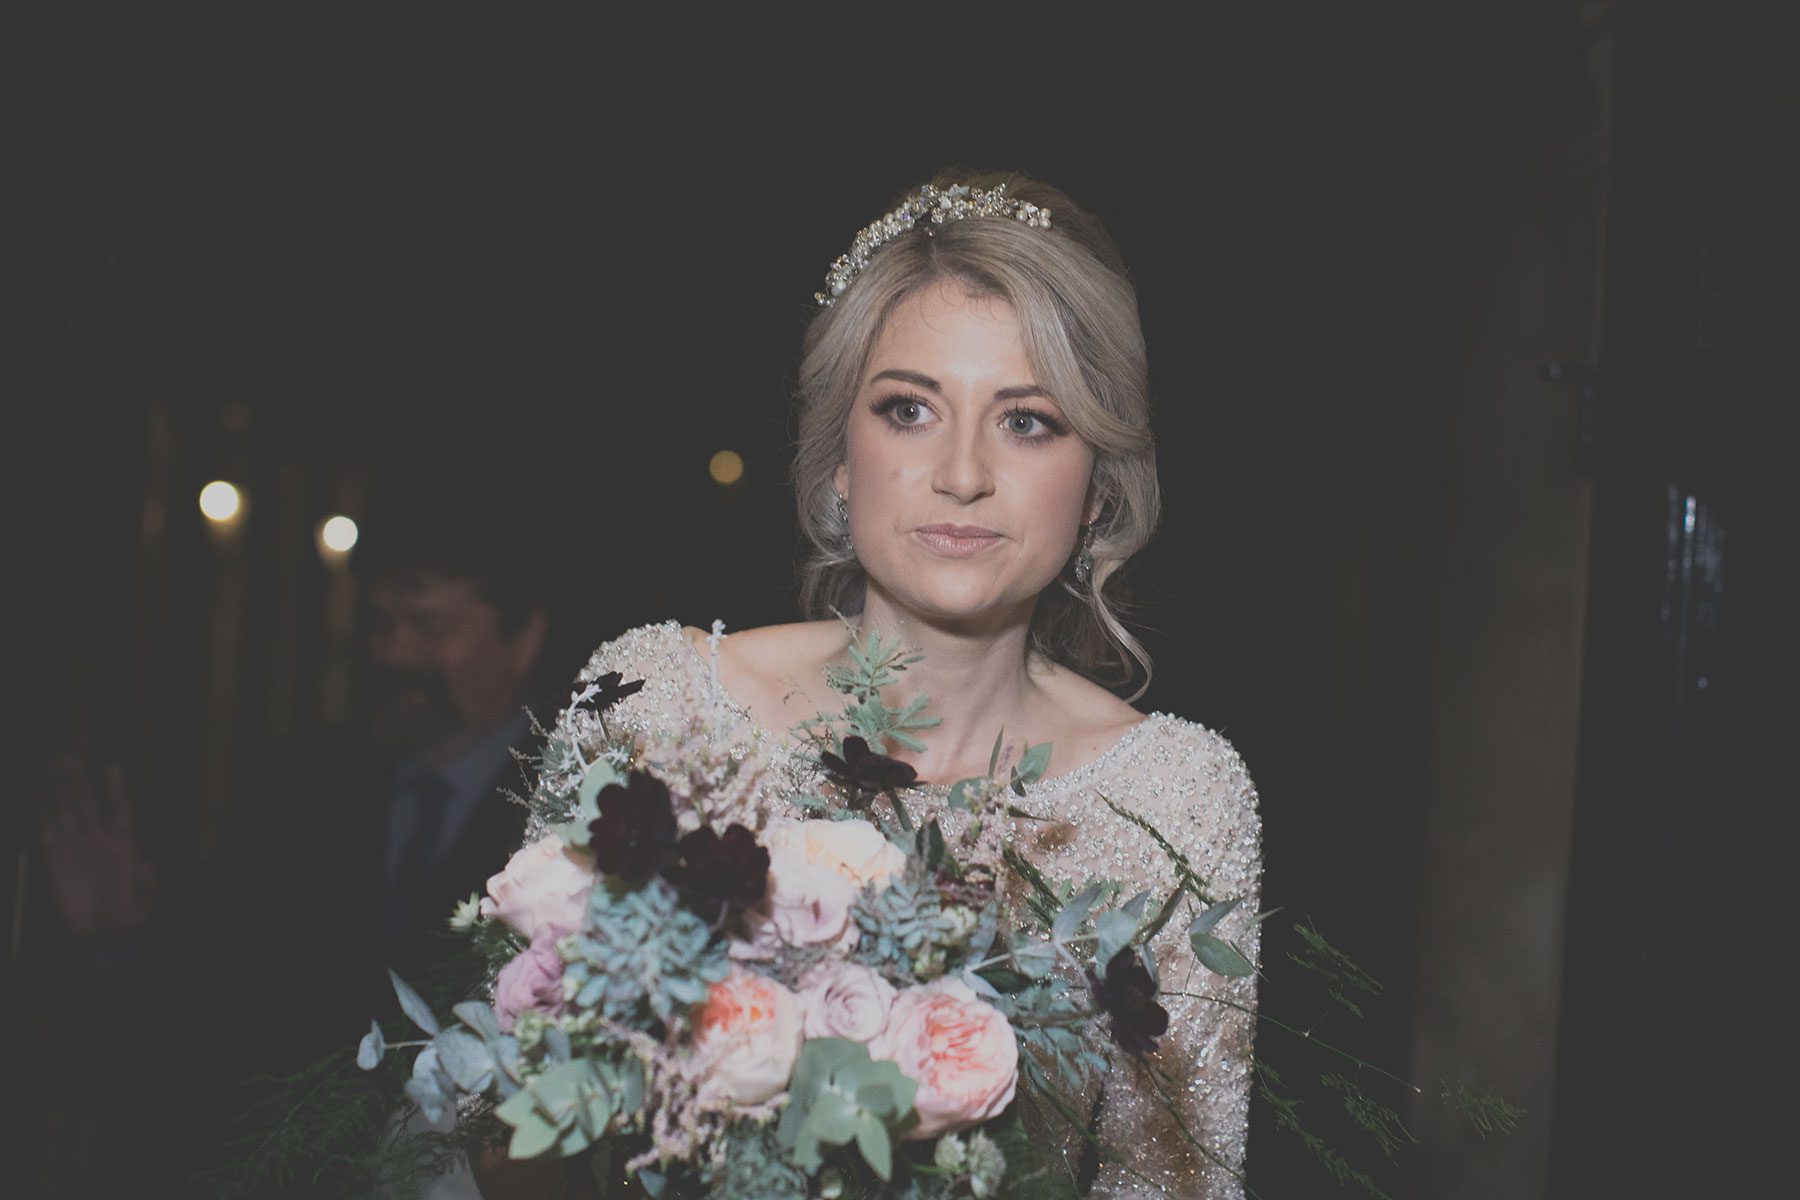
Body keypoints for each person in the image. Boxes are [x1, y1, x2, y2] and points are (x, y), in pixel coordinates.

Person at [563, 172, 1263, 1199]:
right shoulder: (656, 706)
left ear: (1099, 479)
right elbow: (503, 1123)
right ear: (840, 457)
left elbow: (1174, 1184)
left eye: (1028, 421)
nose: (964, 472)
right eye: (909, 409)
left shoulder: (1175, 801)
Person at [33, 485, 559, 1196]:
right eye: (379, 622)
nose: (393, 652)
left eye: (428, 627)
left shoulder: (570, 817)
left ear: (524, 637)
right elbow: (193, 1023)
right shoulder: (296, 781)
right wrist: (113, 944)